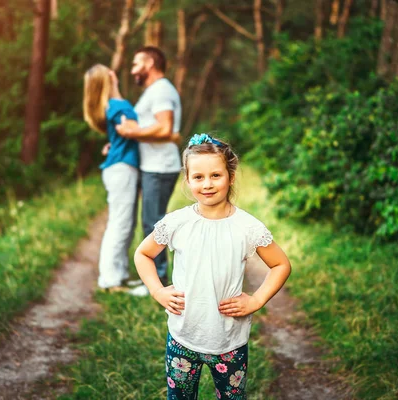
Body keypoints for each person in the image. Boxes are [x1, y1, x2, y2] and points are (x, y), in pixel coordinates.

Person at [133, 134, 292, 399]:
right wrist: (158, 291)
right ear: (187, 180)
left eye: (215, 175)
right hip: (182, 337)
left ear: (230, 175)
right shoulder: (177, 223)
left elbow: (281, 264)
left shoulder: (247, 227)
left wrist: (257, 300)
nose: (207, 184)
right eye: (198, 177)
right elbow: (143, 254)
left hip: (229, 341)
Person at [115, 46, 182, 294]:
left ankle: (160, 282)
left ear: (150, 63)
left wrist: (131, 132)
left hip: (160, 167)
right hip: (152, 166)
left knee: (154, 225)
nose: (133, 70)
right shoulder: (154, 91)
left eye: (136, 64)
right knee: (150, 222)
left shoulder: (162, 90)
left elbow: (165, 128)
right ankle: (152, 279)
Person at [83, 64, 141, 291]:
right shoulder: (117, 106)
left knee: (125, 223)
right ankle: (110, 280)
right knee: (120, 224)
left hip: (119, 167)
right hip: (122, 169)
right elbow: (133, 129)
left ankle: (120, 274)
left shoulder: (113, 105)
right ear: (109, 77)